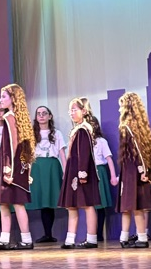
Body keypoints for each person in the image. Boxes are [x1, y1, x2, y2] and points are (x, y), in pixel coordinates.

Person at [0, 83, 35, 251]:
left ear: (13, 99)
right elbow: (28, 149)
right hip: (20, 167)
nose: (0, 100)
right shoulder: (20, 117)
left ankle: (24, 240)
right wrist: (27, 170)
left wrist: (8, 169)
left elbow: (12, 145)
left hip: (11, 167)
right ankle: (8, 239)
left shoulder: (9, 117)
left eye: (4, 97)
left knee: (14, 204)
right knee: (8, 203)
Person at [115, 91, 151, 249]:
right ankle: (124, 237)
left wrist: (143, 171)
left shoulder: (127, 128)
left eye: (121, 106)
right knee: (127, 207)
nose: (119, 110)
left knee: (135, 206)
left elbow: (138, 151)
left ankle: (141, 237)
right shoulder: (140, 128)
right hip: (130, 172)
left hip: (133, 173)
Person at [58, 98, 101, 249]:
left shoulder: (83, 129)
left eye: (74, 109)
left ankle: (91, 238)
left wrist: (82, 173)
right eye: (70, 110)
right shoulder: (77, 129)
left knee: (87, 204)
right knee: (72, 206)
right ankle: (70, 239)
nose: (71, 113)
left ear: (84, 111)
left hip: (81, 172)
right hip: (73, 171)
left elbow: (84, 153)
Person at [28, 105, 66, 243]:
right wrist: (28, 172)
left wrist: (65, 170)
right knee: (42, 200)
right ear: (36, 117)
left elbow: (62, 152)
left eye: (45, 113)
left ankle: (49, 234)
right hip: (37, 167)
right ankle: (46, 234)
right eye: (39, 113)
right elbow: (29, 154)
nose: (42, 116)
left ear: (50, 116)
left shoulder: (57, 133)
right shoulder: (32, 134)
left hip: (52, 166)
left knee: (50, 200)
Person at [89, 113, 117, 240]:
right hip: (87, 173)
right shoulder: (82, 141)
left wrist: (113, 176)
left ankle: (99, 234)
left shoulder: (101, 141)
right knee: (90, 206)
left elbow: (109, 159)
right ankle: (91, 234)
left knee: (100, 205)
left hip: (99, 171)